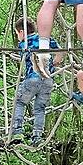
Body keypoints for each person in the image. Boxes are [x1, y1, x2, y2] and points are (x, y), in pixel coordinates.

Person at [10, 18, 63, 146]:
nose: (18, 37)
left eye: (17, 33)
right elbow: (61, 51)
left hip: (32, 78)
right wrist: (55, 61)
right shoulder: (46, 39)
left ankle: (17, 131)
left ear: (22, 32)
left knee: (20, 102)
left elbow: (25, 57)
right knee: (40, 109)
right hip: (47, 80)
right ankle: (37, 136)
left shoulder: (24, 43)